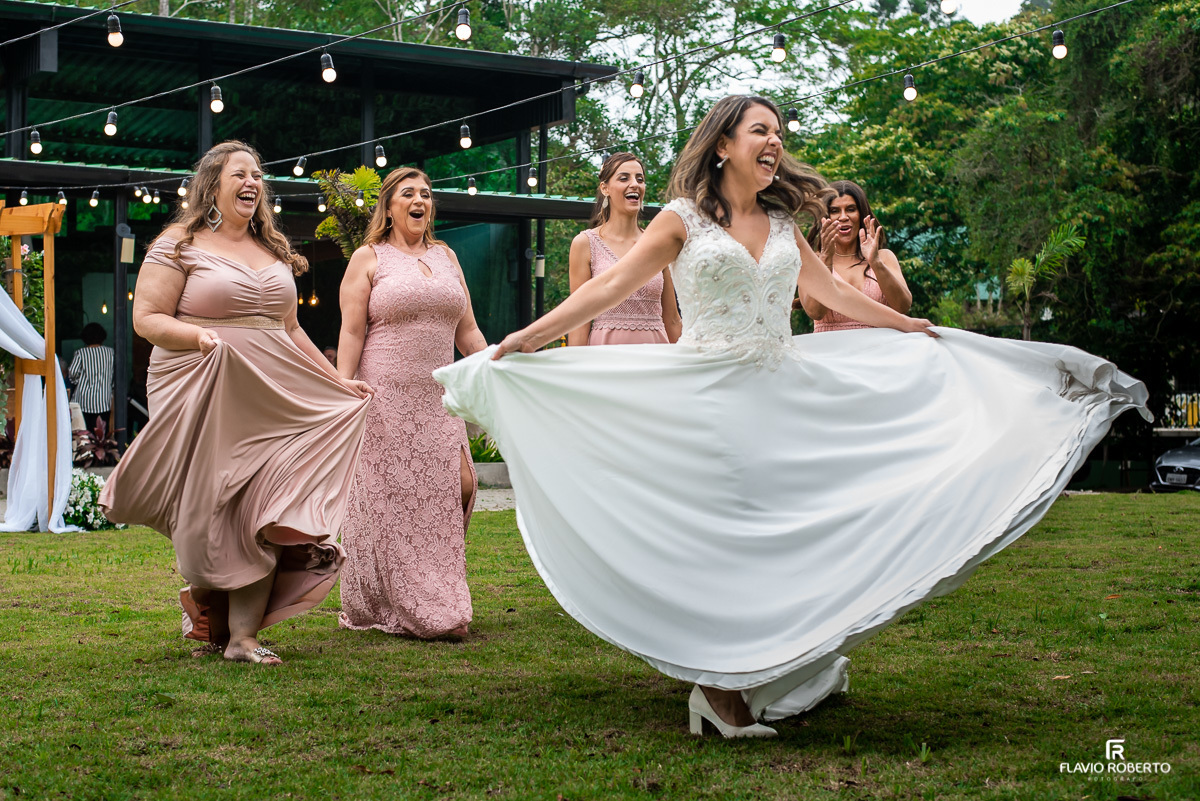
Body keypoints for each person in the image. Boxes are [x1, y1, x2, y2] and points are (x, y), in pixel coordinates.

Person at [432, 96, 1149, 737]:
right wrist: (524, 338)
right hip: (706, 397)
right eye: (759, 130)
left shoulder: (780, 224)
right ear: (723, 145)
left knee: (780, 535)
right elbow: (614, 285)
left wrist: (906, 328)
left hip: (779, 394)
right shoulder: (680, 220)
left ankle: (766, 665)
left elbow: (829, 292)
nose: (774, 142)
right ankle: (718, 686)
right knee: (722, 540)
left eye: (778, 131)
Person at [100, 141, 373, 666]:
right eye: (240, 173)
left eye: (257, 175)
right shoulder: (179, 243)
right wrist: (197, 339)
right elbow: (148, 319)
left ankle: (243, 638)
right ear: (213, 184)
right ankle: (206, 606)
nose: (252, 182)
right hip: (204, 389)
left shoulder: (271, 249)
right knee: (212, 511)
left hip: (274, 398)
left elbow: (290, 330)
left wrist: (338, 383)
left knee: (266, 507)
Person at [336, 166, 488, 639]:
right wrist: (344, 389)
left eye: (426, 194)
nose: (420, 200)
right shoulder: (368, 257)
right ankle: (398, 600)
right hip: (385, 395)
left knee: (458, 486)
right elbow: (352, 331)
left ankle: (435, 588)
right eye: (408, 193)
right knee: (390, 499)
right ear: (389, 205)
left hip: (438, 397)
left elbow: (467, 330)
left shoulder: (446, 256)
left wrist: (496, 369)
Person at [567, 152, 681, 346]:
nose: (635, 184)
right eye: (623, 178)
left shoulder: (659, 244)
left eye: (640, 179)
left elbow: (672, 319)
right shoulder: (584, 244)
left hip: (655, 356)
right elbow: (578, 321)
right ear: (605, 188)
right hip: (605, 357)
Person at [796, 180, 913, 332]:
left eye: (851, 209)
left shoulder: (884, 257)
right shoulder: (811, 261)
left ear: (861, 214)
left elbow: (903, 306)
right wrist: (825, 258)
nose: (843, 217)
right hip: (831, 352)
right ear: (825, 217)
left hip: (880, 350)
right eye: (835, 211)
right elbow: (815, 312)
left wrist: (876, 263)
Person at [68, 323, 114, 433]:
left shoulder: (81, 353)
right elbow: (114, 375)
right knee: (100, 435)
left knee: (84, 435)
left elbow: (73, 373)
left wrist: (77, 381)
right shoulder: (110, 353)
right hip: (104, 401)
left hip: (83, 401)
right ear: (102, 336)